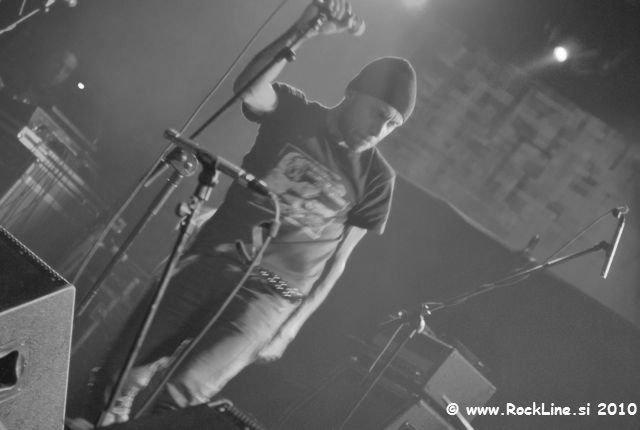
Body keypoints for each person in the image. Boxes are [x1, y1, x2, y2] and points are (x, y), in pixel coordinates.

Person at [102, 0, 417, 423]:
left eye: (393, 125)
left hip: (272, 297)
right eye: (379, 114)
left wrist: (292, 326)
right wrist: (302, 31)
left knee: (182, 398)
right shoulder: (294, 112)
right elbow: (249, 88)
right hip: (212, 258)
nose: (380, 131)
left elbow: (339, 260)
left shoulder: (378, 178)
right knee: (123, 371)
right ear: (353, 93)